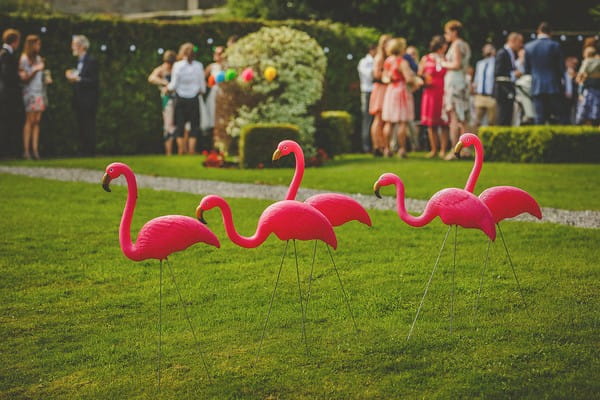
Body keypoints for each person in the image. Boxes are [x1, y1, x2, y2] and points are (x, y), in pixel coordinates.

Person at [381, 37, 421, 158]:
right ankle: (402, 149)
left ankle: (387, 149)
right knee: (402, 122)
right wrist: (416, 82)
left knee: (389, 122)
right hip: (401, 91)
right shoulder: (402, 62)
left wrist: (390, 79)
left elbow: (384, 77)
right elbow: (409, 78)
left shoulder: (387, 61)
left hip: (390, 90)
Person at [525, 22, 567, 124]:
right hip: (553, 84)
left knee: (539, 116)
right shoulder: (555, 45)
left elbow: (527, 69)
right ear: (550, 32)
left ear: (538, 31)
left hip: (537, 85)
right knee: (558, 115)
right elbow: (561, 68)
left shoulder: (528, 46)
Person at [168, 42, 205, 155]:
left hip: (180, 99)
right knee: (194, 126)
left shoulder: (177, 66)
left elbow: (173, 85)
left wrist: (166, 87)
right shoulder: (198, 66)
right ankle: (191, 151)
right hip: (194, 99)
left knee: (180, 125)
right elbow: (202, 87)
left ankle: (181, 150)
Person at [442, 20, 471, 160]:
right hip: (462, 82)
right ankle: (466, 150)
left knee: (454, 118)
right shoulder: (465, 44)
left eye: (447, 32)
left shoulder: (457, 44)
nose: (445, 35)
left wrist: (443, 63)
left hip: (455, 83)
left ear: (454, 32)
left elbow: (457, 64)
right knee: (463, 118)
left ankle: (455, 151)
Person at [66, 35, 99, 156]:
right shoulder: (78, 61)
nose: (72, 48)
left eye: (74, 45)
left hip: (88, 100)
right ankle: (82, 149)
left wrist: (78, 79)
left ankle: (89, 151)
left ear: (81, 46)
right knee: (80, 125)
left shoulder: (91, 60)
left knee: (88, 125)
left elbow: (94, 81)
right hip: (78, 99)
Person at [19, 35, 50, 160]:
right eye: (37, 44)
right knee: (29, 121)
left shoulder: (38, 58)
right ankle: (26, 151)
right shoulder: (24, 59)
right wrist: (36, 70)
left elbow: (40, 77)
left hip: (39, 92)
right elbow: (24, 78)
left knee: (37, 122)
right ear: (31, 45)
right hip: (30, 93)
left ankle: (35, 150)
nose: (39, 47)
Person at [419, 35, 449, 158]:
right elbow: (420, 74)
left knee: (444, 123)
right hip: (430, 93)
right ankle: (434, 149)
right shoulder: (426, 59)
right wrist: (425, 80)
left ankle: (443, 149)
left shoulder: (447, 58)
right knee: (432, 124)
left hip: (444, 92)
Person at [148, 50, 177, 155]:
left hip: (178, 98)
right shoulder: (161, 69)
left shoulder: (176, 68)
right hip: (167, 100)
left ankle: (182, 151)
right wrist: (164, 82)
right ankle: (169, 152)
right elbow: (151, 78)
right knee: (168, 125)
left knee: (180, 125)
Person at [0, 28, 22, 158]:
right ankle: (6, 151)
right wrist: (19, 77)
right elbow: (7, 74)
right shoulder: (6, 54)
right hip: (7, 94)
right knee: (6, 122)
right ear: (15, 41)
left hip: (6, 93)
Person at [369, 34, 391, 156]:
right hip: (380, 90)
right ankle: (377, 145)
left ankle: (382, 145)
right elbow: (377, 75)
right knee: (379, 118)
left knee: (383, 119)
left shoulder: (386, 58)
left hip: (385, 89)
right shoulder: (379, 58)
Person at [495, 33, 523, 126]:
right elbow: (498, 72)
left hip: (508, 88)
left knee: (508, 115)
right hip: (503, 89)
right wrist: (513, 74)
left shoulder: (510, 53)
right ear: (513, 41)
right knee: (503, 115)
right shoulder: (502, 53)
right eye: (519, 42)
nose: (521, 45)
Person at [202, 45, 225, 149]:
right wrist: (207, 85)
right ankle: (214, 146)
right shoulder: (211, 67)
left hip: (224, 95)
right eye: (215, 53)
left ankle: (223, 144)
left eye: (219, 53)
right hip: (214, 94)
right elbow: (200, 78)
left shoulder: (227, 66)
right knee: (214, 120)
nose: (217, 55)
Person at [357, 44, 376, 153]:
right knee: (367, 119)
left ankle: (375, 146)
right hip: (367, 92)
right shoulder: (364, 62)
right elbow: (370, 76)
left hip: (374, 91)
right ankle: (366, 146)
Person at [473, 43, 496, 129]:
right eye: (486, 49)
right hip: (480, 96)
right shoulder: (480, 63)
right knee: (477, 121)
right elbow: (477, 78)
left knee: (492, 122)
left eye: (490, 48)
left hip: (491, 96)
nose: (487, 50)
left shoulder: (496, 63)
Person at [575, 46, 600, 125]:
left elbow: (579, 77)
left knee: (585, 112)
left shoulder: (587, 62)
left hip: (589, 90)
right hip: (598, 90)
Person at [564, 56, 579, 124]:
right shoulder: (563, 74)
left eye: (575, 65)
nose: (574, 66)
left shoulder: (577, 75)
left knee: (574, 111)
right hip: (564, 96)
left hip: (575, 96)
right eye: (572, 64)